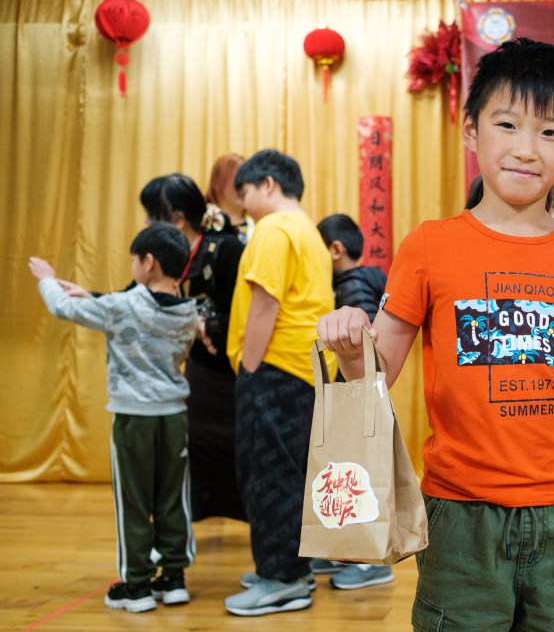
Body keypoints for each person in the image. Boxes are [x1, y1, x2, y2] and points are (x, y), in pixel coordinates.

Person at [317, 38, 554, 629]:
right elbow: (375, 378)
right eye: (506, 124)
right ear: (471, 130)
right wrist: (351, 344)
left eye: (549, 132)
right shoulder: (429, 245)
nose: (525, 149)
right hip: (460, 517)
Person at [29, 223, 198, 613]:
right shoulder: (189, 312)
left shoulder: (123, 306)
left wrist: (47, 280)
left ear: (149, 262)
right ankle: (173, 579)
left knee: (134, 501)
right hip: (174, 417)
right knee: (173, 499)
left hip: (134, 418)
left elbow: (64, 308)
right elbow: (137, 314)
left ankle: (137, 586)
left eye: (134, 260)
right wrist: (91, 295)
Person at [223, 149, 335, 616]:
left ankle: (281, 579)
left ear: (267, 184)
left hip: (274, 370)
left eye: (245, 193)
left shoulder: (272, 229)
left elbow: (264, 303)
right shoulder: (307, 230)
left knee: (268, 475)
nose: (243, 205)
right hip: (302, 371)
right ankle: (291, 568)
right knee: (289, 474)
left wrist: (249, 370)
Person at [140, 173, 246, 522]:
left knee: (240, 447)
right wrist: (88, 300)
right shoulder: (166, 258)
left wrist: (208, 323)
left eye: (151, 215)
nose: (146, 223)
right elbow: (133, 299)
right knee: (192, 444)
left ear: (177, 219)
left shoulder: (225, 250)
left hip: (236, 372)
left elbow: (246, 313)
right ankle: (187, 521)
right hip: (199, 374)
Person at [314, 212, 393, 590]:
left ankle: (370, 563)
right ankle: (346, 553)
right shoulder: (369, 278)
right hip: (361, 393)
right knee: (351, 475)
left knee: (361, 477)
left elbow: (365, 341)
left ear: (335, 250)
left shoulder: (352, 285)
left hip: (358, 394)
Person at [317, 213, 388, 323]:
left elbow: (368, 332)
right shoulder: (364, 279)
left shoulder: (352, 289)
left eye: (317, 251)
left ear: (336, 250)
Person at [204, 153, 251, 243]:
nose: (243, 186)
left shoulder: (257, 224)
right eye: (238, 179)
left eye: (248, 180)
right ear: (218, 182)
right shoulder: (201, 223)